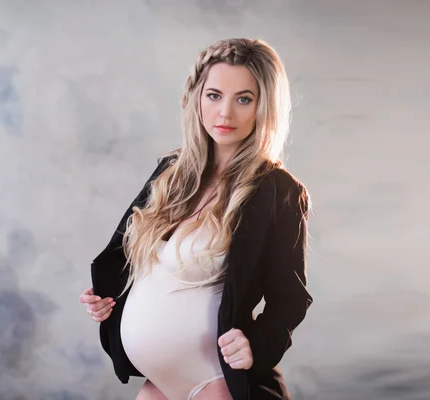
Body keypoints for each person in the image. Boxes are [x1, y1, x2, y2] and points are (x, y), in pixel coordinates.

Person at [79, 38, 313, 400]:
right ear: (196, 98)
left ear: (264, 107)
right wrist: (108, 299)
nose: (225, 114)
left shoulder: (276, 191)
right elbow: (129, 258)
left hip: (214, 382)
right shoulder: (172, 171)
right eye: (214, 95)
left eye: (244, 99)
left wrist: (257, 344)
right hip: (159, 384)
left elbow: (291, 298)